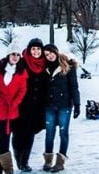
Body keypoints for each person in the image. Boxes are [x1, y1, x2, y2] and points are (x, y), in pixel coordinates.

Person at [0, 41, 29, 174]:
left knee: (4, 142)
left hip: (11, 113)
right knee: (2, 141)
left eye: (17, 54)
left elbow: (22, 91)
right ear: (8, 55)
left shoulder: (22, 73)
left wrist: (14, 104)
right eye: (12, 54)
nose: (15, 57)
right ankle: (9, 171)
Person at [42, 44, 80, 173]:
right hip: (49, 106)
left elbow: (74, 87)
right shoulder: (44, 68)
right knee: (49, 134)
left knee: (63, 133)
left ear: (56, 52)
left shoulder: (68, 66)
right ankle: (48, 161)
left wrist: (77, 105)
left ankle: (60, 163)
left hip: (64, 106)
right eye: (46, 54)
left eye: (51, 53)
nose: (49, 56)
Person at [11, 38, 48, 172]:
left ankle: (24, 162)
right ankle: (18, 160)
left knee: (30, 134)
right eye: (33, 49)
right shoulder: (22, 61)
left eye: (38, 49)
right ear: (29, 49)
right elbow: (7, 65)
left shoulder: (45, 64)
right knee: (18, 134)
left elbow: (59, 62)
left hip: (37, 107)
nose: (36, 52)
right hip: (20, 105)